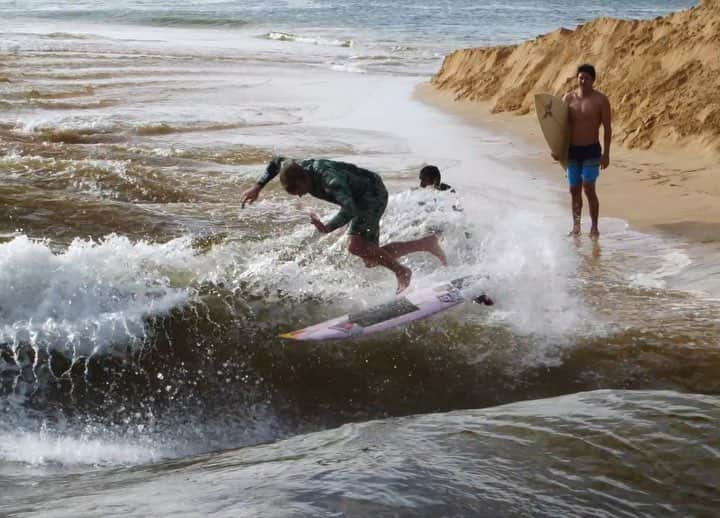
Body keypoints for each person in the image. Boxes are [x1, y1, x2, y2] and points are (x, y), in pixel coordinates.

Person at [240, 157, 447, 293]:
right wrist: (257, 187)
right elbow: (277, 162)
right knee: (371, 258)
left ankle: (402, 272)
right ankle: (426, 244)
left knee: (354, 245)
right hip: (360, 195)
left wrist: (326, 227)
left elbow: (349, 210)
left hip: (370, 194)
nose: (302, 194)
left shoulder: (330, 180)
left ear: (304, 177)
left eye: (300, 190)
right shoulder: (294, 166)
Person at [560, 63, 612, 238]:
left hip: (591, 150)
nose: (583, 81)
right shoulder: (568, 99)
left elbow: (607, 128)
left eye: (587, 78)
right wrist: (557, 150)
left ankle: (594, 227)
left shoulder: (601, 100)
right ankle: (576, 227)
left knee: (588, 188)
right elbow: (558, 127)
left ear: (593, 80)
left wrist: (606, 154)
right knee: (574, 190)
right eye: (580, 77)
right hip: (572, 151)